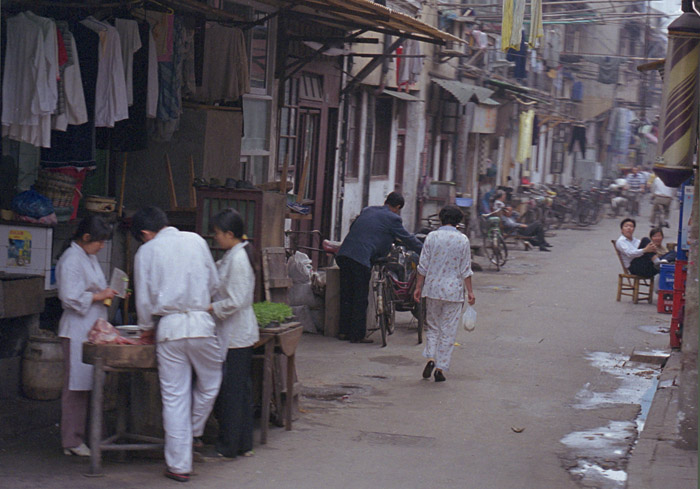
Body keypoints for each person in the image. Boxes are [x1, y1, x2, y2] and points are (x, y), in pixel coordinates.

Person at [132, 206, 222, 483]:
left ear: (145, 233)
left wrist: (146, 328)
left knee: (174, 397)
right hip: (201, 325)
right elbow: (214, 284)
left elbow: (144, 300)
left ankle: (179, 465)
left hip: (169, 329)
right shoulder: (196, 240)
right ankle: (194, 430)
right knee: (210, 381)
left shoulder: (146, 252)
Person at [56, 215, 117, 457]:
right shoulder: (71, 259)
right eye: (99, 242)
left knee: (88, 385)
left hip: (90, 326)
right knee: (75, 387)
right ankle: (71, 440)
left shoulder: (88, 257)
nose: (102, 246)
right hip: (76, 328)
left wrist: (108, 293)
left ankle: (86, 436)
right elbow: (69, 297)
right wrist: (99, 296)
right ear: (86, 237)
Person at [336, 192, 423, 343]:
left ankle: (343, 332)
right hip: (360, 258)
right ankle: (356, 335)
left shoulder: (368, 210)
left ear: (385, 201)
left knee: (346, 295)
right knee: (360, 297)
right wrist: (425, 251)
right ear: (397, 207)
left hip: (344, 254)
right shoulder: (393, 218)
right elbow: (408, 239)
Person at [208, 208, 258, 459]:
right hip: (235, 332)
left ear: (230, 234)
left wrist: (211, 307)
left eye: (217, 233)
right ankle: (243, 443)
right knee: (240, 390)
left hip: (236, 333)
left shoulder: (238, 259)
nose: (215, 237)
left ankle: (229, 445)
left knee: (233, 391)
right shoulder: (233, 255)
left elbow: (236, 300)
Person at [413, 205, 475, 382]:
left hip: (432, 289)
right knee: (448, 330)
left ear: (441, 219)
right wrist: (470, 292)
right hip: (453, 292)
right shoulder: (463, 240)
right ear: (458, 222)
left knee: (433, 326)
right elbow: (465, 269)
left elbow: (422, 265)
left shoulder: (432, 237)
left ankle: (431, 357)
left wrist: (418, 287)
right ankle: (440, 367)